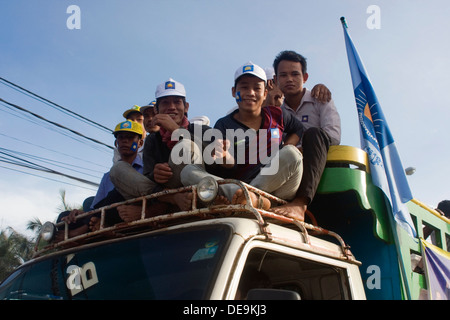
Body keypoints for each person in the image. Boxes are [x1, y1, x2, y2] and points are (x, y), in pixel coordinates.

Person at [180, 62, 305, 211]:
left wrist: (284, 148)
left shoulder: (277, 114)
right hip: (240, 186)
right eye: (244, 87)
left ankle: (248, 198)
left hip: (279, 189)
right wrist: (225, 157)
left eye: (256, 88)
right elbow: (229, 166)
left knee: (292, 153)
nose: (250, 93)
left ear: (265, 93)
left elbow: (298, 129)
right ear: (234, 92)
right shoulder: (224, 124)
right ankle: (254, 200)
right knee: (188, 172)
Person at [110, 78, 211, 211]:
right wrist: (155, 174)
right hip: (162, 193)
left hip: (196, 188)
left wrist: (176, 130)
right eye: (165, 103)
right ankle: (174, 198)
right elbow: (146, 178)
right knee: (118, 169)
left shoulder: (202, 130)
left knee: (186, 145)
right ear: (157, 109)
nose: (171, 107)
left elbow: (214, 162)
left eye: (177, 102)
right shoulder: (152, 139)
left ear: (186, 107)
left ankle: (186, 199)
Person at [272, 50, 341, 221]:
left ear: (305, 76)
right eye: (283, 75)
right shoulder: (275, 109)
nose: (289, 79)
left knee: (314, 134)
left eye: (295, 74)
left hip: (317, 160)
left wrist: (301, 150)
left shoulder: (320, 97)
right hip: (287, 164)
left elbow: (333, 136)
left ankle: (300, 204)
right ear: (276, 80)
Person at [55, 120, 146, 240]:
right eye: (121, 138)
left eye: (130, 138)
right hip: (104, 214)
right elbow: (97, 207)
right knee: (64, 216)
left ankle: (80, 232)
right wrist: (80, 214)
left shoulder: (146, 168)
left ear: (139, 143)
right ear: (116, 143)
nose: (125, 141)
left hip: (130, 210)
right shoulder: (107, 176)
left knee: (117, 195)